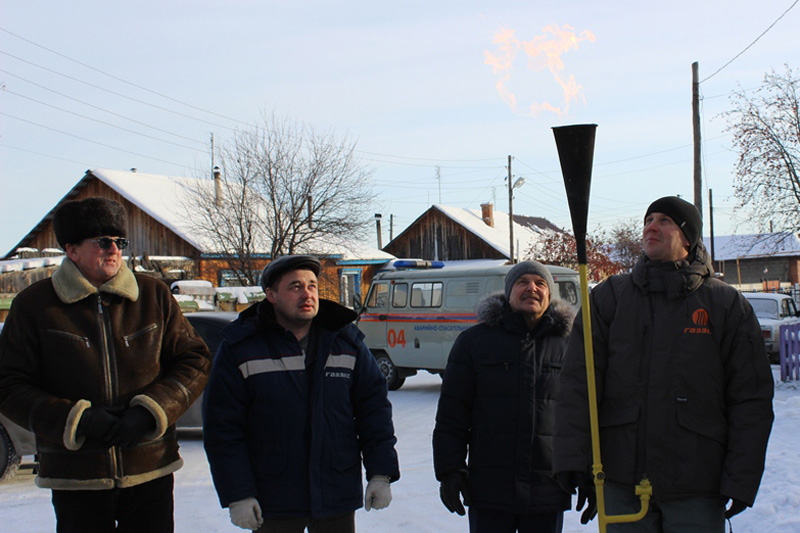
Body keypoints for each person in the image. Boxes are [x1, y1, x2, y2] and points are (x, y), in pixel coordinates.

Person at [553, 196, 774, 532]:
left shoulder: (725, 305)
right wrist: (574, 459)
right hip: (621, 480)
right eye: (648, 220)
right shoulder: (609, 298)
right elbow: (577, 384)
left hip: (698, 484)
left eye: (664, 220)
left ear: (688, 237)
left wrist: (741, 477)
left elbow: (751, 398)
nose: (651, 227)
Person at [0, 197, 212, 533]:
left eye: (119, 242)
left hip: (149, 467)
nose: (114, 249)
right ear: (72, 250)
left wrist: (150, 411)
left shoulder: (153, 296)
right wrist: (77, 419)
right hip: (76, 475)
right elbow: (8, 384)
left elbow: (195, 361)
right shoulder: (35, 305)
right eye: (102, 241)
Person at [202, 255, 399, 532]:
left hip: (335, 493)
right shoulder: (242, 348)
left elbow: (373, 411)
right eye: (295, 287)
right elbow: (223, 429)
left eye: (312, 285)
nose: (307, 294)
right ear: (271, 295)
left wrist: (381, 472)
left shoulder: (345, 341)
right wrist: (238, 494)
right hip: (273, 498)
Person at [433, 260, 584, 533]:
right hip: (490, 490)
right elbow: (452, 415)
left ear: (550, 294)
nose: (532, 288)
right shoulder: (474, 343)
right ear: (508, 291)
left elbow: (583, 416)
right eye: (522, 282)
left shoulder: (571, 346)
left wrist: (586, 471)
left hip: (547, 489)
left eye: (540, 283)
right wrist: (450, 470)